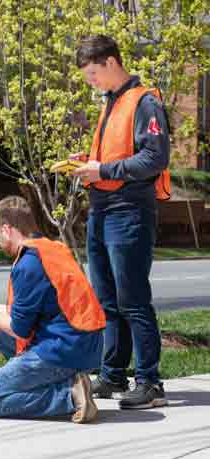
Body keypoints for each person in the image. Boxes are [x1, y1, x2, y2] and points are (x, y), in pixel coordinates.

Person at [72, 35, 171, 409]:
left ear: (112, 62)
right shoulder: (111, 103)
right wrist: (88, 162)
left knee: (133, 299)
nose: (91, 81)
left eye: (93, 73)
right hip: (102, 207)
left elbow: (155, 158)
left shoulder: (144, 101)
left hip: (129, 209)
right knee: (107, 300)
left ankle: (150, 383)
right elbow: (117, 153)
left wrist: (104, 168)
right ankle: (113, 374)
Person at [0, 196, 105, 423]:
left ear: (7, 229)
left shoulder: (28, 265)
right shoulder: (51, 249)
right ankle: (72, 381)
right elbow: (27, 312)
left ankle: (69, 396)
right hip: (86, 345)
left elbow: (20, 330)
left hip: (63, 349)